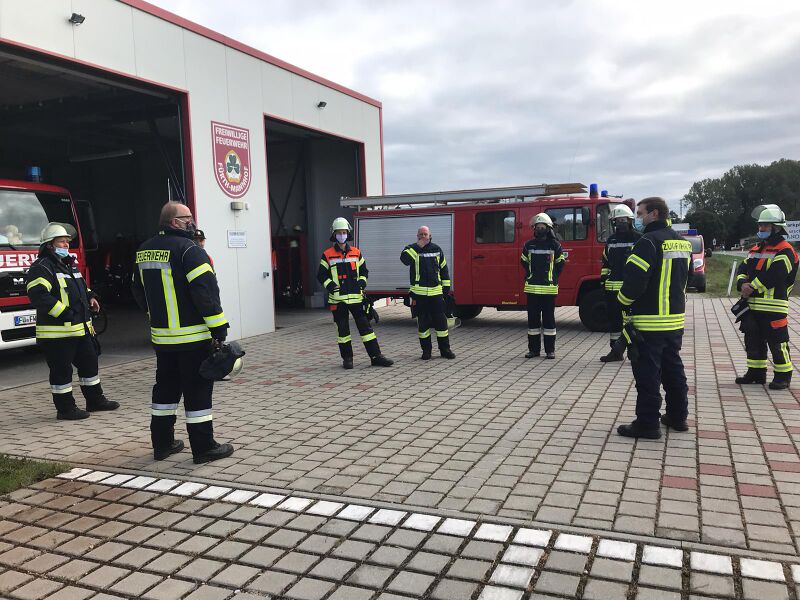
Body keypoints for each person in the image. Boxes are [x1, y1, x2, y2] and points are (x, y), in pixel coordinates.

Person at [131, 202, 234, 464]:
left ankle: (162, 445)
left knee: (165, 391)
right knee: (197, 392)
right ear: (175, 222)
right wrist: (219, 328)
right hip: (193, 338)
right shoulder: (190, 250)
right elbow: (206, 295)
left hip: (163, 339)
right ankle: (204, 448)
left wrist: (154, 318)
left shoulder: (143, 251)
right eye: (188, 218)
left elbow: (137, 290)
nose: (193, 222)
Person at [25, 223, 119, 420]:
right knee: (62, 373)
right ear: (49, 245)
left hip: (80, 329)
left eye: (67, 242)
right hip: (58, 333)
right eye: (62, 241)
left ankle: (95, 401)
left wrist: (91, 297)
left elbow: (80, 288)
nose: (66, 245)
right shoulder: (40, 268)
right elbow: (39, 296)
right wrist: (65, 313)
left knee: (89, 365)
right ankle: (66, 409)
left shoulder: (68, 264)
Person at [616, 197, 692, 439]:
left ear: (654, 214)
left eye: (640, 214)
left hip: (649, 321)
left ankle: (648, 423)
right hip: (674, 320)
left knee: (648, 374)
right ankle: (678, 417)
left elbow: (635, 282)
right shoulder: (682, 243)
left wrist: (621, 301)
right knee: (673, 370)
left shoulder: (647, 242)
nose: (637, 219)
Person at [734, 204, 799, 390]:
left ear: (776, 227)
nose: (761, 229)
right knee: (753, 341)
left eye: (765, 226)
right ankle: (756, 373)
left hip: (774, 307)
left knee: (778, 343)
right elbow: (743, 269)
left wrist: (751, 287)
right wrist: (741, 284)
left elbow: (775, 275)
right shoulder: (755, 249)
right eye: (760, 225)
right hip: (753, 305)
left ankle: (783, 376)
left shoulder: (786, 250)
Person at [317, 217, 393, 370]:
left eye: (344, 232)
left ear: (348, 234)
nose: (342, 235)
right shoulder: (328, 254)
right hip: (338, 301)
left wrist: (362, 282)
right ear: (334, 234)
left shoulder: (356, 253)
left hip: (356, 299)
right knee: (343, 331)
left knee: (367, 330)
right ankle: (348, 359)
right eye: (339, 232)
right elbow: (321, 275)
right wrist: (330, 285)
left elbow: (364, 270)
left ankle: (376, 357)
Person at [401, 226, 455, 360]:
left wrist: (446, 292)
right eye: (421, 234)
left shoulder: (437, 249)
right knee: (423, 324)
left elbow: (444, 271)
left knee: (441, 324)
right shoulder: (411, 249)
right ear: (417, 236)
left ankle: (445, 350)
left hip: (436, 294)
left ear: (430, 235)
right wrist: (417, 246)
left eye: (425, 234)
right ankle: (426, 351)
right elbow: (405, 261)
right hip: (419, 295)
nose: (423, 236)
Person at [600, 204, 641, 362]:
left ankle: (633, 351)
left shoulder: (639, 238)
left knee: (630, 321)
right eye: (617, 221)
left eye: (623, 220)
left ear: (630, 221)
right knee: (614, 321)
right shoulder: (611, 240)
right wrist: (603, 281)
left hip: (630, 289)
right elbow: (606, 263)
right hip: (612, 288)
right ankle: (615, 352)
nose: (620, 223)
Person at [521, 213, 565, 359]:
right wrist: (530, 274)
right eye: (538, 227)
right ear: (534, 229)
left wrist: (552, 277)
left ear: (548, 228)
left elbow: (560, 264)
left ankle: (550, 351)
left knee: (549, 322)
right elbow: (523, 262)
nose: (540, 229)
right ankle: (533, 350)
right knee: (532, 322)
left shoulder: (555, 245)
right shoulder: (528, 245)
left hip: (549, 289)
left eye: (542, 227)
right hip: (532, 289)